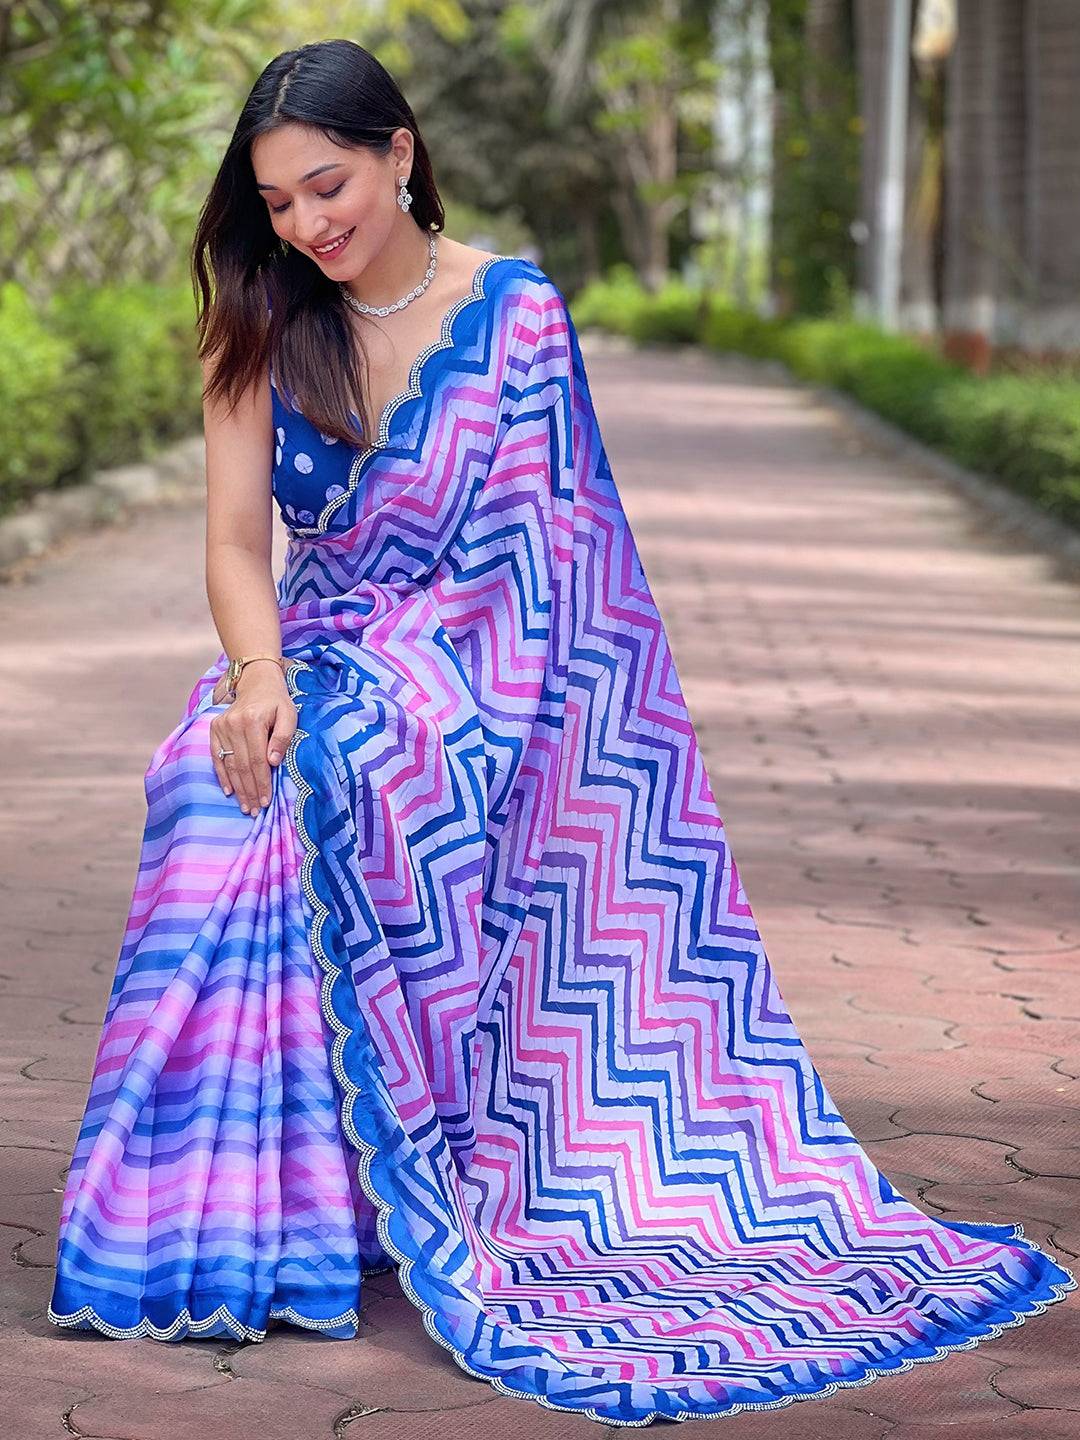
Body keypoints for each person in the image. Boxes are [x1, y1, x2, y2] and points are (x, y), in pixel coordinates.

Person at [47, 37, 1074, 1428]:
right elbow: (237, 542)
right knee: (215, 777)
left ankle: (375, 1182)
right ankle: (229, 1227)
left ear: (402, 152)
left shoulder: (515, 316)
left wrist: (415, 696)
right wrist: (254, 673)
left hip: (490, 680)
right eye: (280, 201)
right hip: (318, 648)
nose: (306, 224)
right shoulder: (259, 313)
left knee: (340, 779)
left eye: (328, 185)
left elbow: (557, 575)